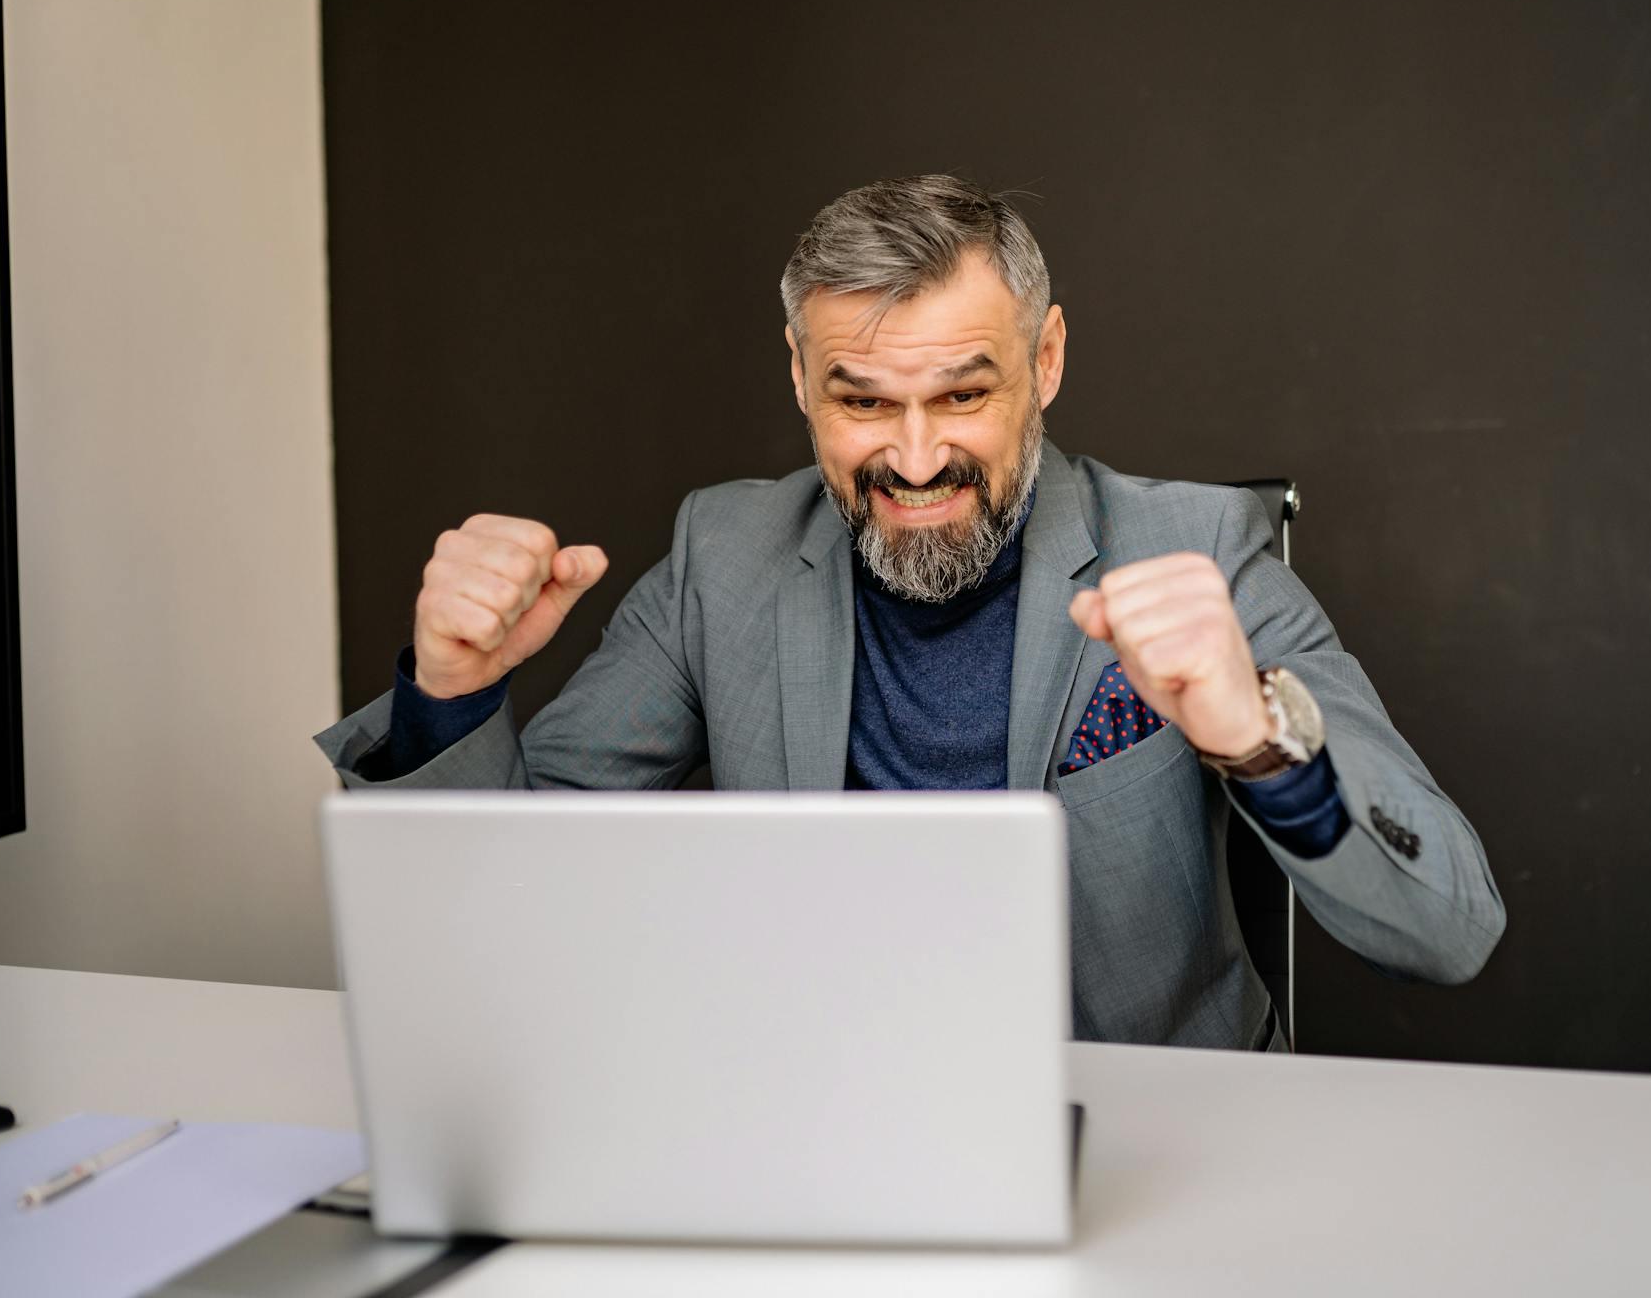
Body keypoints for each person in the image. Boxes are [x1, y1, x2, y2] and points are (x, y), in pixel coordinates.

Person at [315, 174, 1505, 1051]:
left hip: (1148, 1138)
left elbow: (1449, 926)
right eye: (864, 402)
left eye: (964, 393)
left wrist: (1254, 740)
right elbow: (503, 917)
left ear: (1044, 364)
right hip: (813, 1120)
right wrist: (451, 692)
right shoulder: (722, 557)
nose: (918, 456)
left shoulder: (1201, 548)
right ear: (798, 377)